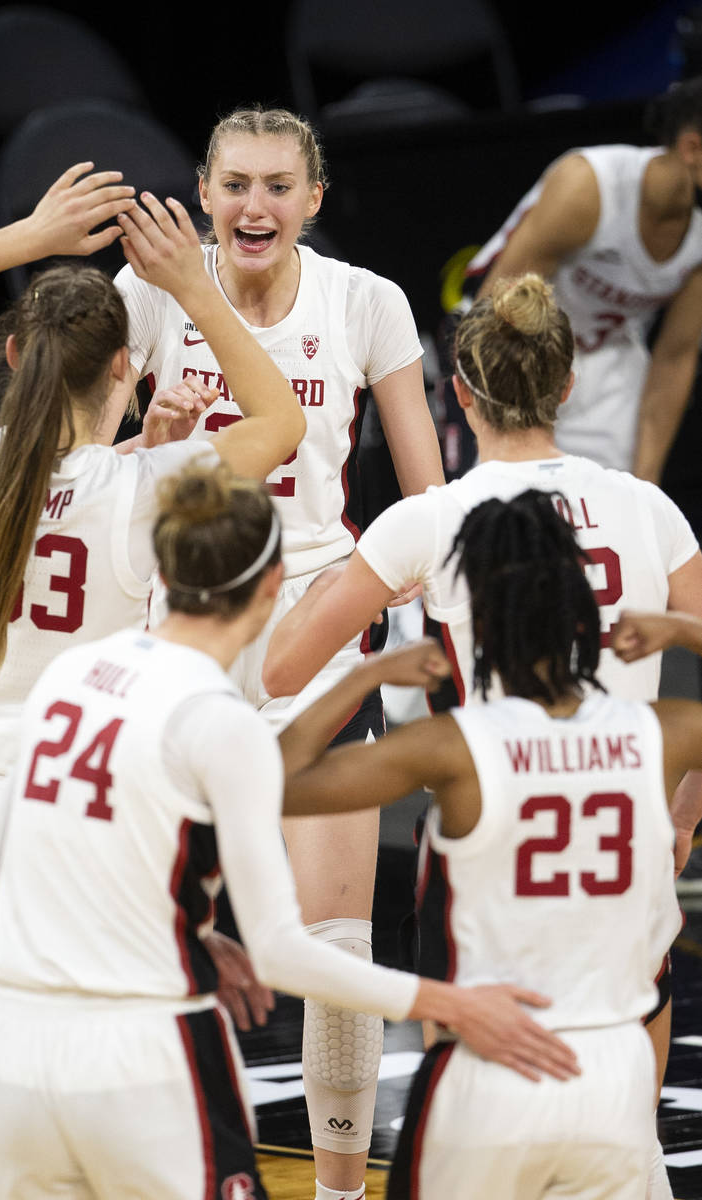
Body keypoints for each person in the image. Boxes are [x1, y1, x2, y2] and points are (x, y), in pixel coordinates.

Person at [0, 461, 578, 1200]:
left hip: (10, 1044)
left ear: (162, 567)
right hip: (136, 1052)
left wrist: (186, 930)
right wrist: (448, 1003)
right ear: (270, 587)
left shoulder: (71, 674)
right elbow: (285, 954)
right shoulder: (215, 718)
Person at [263, 272, 702, 1200]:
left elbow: (281, 674)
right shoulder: (651, 512)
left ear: (457, 392)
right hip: (627, 840)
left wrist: (362, 633)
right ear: (568, 382)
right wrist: (683, 813)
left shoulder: (430, 520)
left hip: (489, 848)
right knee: (627, 1079)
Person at [0, 162, 306, 1024]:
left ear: (17, 354)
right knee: (110, 1096)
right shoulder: (139, 488)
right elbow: (281, 423)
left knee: (16, 1098)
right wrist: (191, 286)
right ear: (126, 369)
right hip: (74, 809)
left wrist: (29, 237)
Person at [113, 104, 446, 1199]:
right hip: (182, 628)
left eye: (276, 186)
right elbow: (73, 474)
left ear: (313, 200)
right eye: (234, 185)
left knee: (337, 947)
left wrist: (383, 611)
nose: (254, 206)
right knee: (158, 935)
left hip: (313, 614)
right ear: (203, 194)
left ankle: (342, 1193)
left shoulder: (366, 300)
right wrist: (147, 441)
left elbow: (426, 500)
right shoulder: (145, 292)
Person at [458, 75, 702, 483]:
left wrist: (646, 485)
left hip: (606, 366)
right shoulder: (589, 187)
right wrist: (510, 433)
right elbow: (497, 307)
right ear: (693, 148)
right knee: (504, 514)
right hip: (513, 347)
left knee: (619, 523)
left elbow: (675, 357)